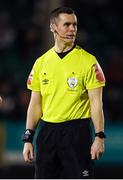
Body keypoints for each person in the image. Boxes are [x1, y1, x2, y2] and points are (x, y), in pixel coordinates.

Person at [22, 7, 106, 179]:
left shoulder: (88, 61)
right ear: (53, 27)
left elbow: (96, 103)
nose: (72, 29)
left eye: (74, 25)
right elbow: (35, 104)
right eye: (66, 24)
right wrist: (28, 138)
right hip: (47, 134)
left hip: (77, 133)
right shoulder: (41, 63)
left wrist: (99, 136)